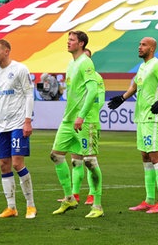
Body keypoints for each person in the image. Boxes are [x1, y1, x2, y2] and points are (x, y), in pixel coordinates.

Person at [108, 36, 158, 214]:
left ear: (151, 48)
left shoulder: (157, 64)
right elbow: (135, 86)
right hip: (142, 117)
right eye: (139, 44)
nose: (139, 47)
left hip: (153, 117)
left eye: (143, 45)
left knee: (155, 156)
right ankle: (149, 200)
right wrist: (122, 98)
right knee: (145, 156)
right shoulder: (143, 66)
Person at [0, 39, 37, 219]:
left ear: (7, 51)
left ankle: (30, 206)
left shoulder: (20, 69)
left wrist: (27, 121)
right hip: (1, 126)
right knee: (4, 165)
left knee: (18, 163)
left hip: (18, 123)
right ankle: (11, 207)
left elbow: (28, 94)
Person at [51, 31, 104, 219]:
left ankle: (97, 205)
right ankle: (69, 197)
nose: (68, 42)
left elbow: (92, 92)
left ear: (81, 43)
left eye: (71, 40)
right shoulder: (71, 63)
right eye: (68, 40)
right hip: (68, 120)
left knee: (89, 161)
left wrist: (81, 116)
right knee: (56, 156)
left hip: (85, 120)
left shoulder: (86, 62)